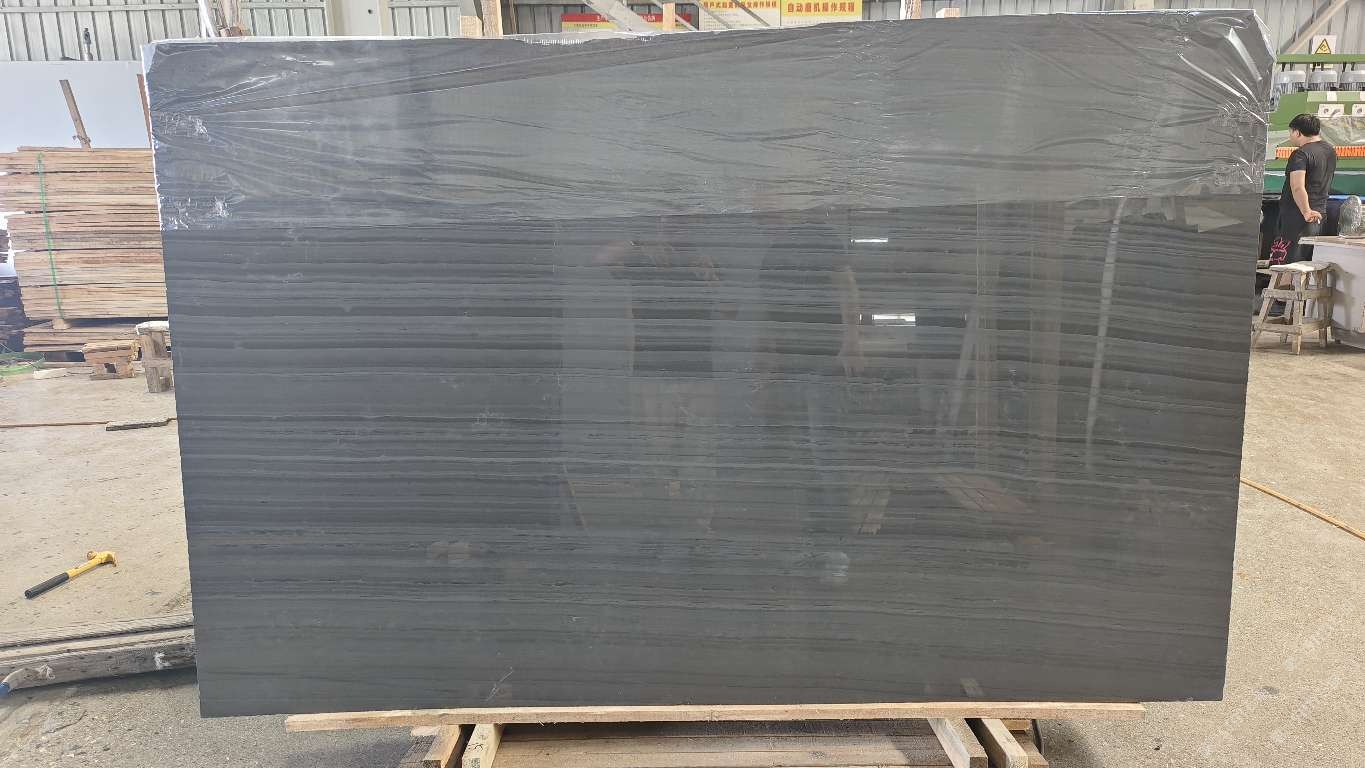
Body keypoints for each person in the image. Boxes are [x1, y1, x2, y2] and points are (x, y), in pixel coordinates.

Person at [1270, 113, 1337, 265]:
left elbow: (1297, 187)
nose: (1290, 136)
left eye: (1291, 132)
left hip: (1298, 218)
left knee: (1287, 267)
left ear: (1298, 132)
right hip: (1319, 216)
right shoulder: (1330, 151)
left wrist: (1306, 211)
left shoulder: (1300, 154)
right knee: (1309, 265)